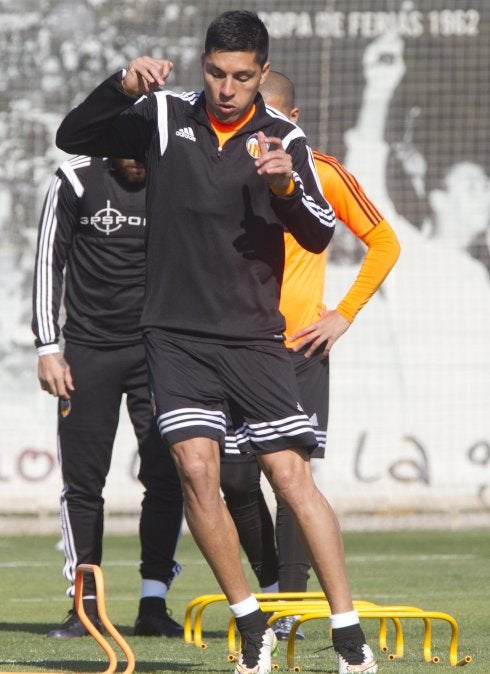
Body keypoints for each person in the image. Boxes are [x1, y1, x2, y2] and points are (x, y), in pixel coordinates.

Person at [55, 11, 378, 674]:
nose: (226, 87)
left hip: (254, 339)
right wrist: (122, 85)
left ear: (262, 74)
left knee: (290, 477)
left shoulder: (282, 135)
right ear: (203, 64)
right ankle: (249, 622)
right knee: (198, 473)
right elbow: (73, 134)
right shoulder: (166, 115)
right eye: (215, 72)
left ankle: (350, 639)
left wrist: (285, 186)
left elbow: (318, 233)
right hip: (172, 336)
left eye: (240, 76)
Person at [220, 71, 400, 640]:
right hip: (230, 348)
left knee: (291, 477)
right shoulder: (221, 171)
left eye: (269, 120)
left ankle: (291, 606)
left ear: (291, 121)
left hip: (297, 351)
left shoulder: (321, 171)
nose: (259, 135)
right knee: (234, 478)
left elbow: (384, 242)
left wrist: (342, 314)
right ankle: (272, 586)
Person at [32, 156, 185, 639]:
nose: (136, 160)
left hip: (156, 352)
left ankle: (153, 604)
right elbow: (47, 262)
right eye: (125, 149)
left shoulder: (175, 173)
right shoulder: (75, 178)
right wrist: (47, 347)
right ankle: (86, 605)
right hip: (87, 355)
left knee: (166, 476)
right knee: (83, 484)